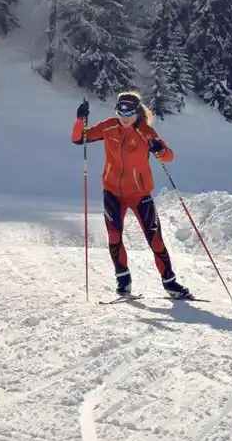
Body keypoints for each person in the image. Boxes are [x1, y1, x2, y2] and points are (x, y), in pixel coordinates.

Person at [72, 91, 192, 300]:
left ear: (137, 113)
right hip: (112, 192)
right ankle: (123, 280)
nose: (125, 118)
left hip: (140, 194)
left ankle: (170, 283)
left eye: (129, 114)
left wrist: (160, 150)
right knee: (114, 237)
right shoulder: (109, 126)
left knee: (155, 240)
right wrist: (80, 119)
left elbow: (169, 156)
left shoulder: (145, 131)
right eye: (121, 113)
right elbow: (78, 138)